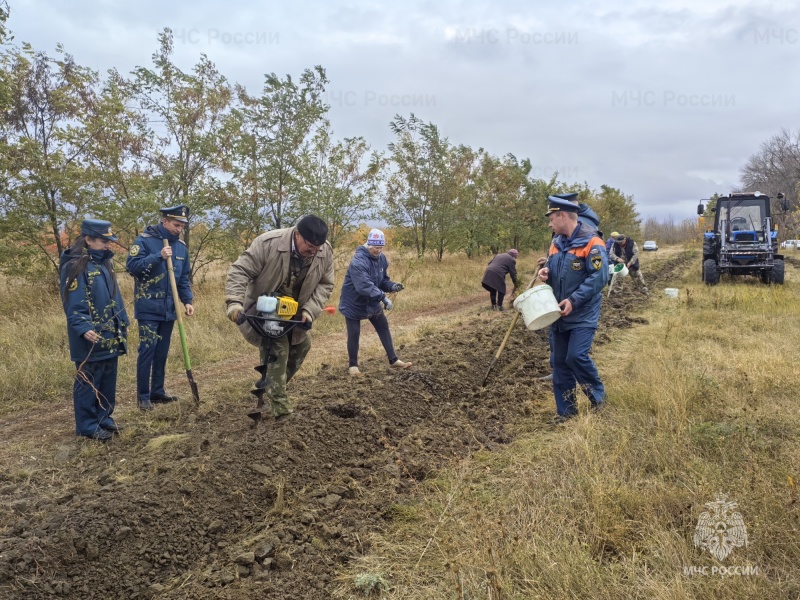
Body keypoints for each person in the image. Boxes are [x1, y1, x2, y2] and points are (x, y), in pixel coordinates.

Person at [225, 215, 335, 420]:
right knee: (278, 350)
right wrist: (234, 302)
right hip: (264, 308)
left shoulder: (324, 250)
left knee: (303, 346)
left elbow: (325, 284)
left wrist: (310, 310)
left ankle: (270, 386)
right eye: (310, 246)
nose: (314, 252)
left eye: (317, 248)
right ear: (297, 234)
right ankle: (281, 411)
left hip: (295, 311)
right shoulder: (269, 243)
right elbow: (239, 270)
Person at [537, 196, 608, 423]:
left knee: (576, 356)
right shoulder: (556, 244)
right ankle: (566, 411)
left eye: (551, 218)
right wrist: (545, 274)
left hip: (582, 312)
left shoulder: (592, 242)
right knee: (559, 362)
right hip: (558, 313)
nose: (549, 224)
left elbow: (600, 277)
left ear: (563, 216)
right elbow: (555, 270)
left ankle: (598, 397)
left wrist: (574, 300)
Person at [60, 219, 129, 441]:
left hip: (110, 333)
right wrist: (83, 327)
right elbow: (73, 301)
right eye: (103, 241)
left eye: (110, 240)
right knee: (89, 380)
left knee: (108, 378)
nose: (108, 245)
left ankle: (104, 418)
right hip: (90, 336)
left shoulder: (104, 263)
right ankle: (87, 426)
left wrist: (123, 323)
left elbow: (114, 298)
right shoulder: (75, 264)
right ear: (88, 240)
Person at [126, 205, 194, 411]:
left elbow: (183, 278)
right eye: (176, 224)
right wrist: (158, 256)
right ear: (164, 221)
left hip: (169, 308)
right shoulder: (144, 241)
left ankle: (157, 391)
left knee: (161, 353)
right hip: (148, 307)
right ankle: (143, 396)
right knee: (147, 351)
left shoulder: (181, 247)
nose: (179, 229)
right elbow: (132, 267)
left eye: (182, 225)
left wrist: (187, 300)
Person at [339, 228, 412, 376]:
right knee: (354, 333)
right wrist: (383, 298)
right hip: (354, 302)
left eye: (381, 247)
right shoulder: (358, 262)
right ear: (368, 244)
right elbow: (364, 286)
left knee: (383, 326)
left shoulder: (382, 259)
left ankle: (394, 360)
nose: (378, 251)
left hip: (372, 301)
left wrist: (392, 286)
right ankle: (353, 366)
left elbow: (382, 280)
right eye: (375, 248)